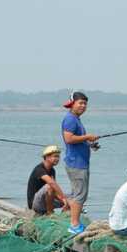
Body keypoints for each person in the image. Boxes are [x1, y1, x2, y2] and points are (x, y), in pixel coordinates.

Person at [61, 92, 99, 234]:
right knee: (80, 195)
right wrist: (88, 136)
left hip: (80, 161)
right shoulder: (70, 119)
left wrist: (90, 144)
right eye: (80, 103)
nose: (83, 106)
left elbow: (78, 139)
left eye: (85, 103)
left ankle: (70, 218)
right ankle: (74, 225)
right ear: (72, 103)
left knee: (77, 193)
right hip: (76, 163)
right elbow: (69, 139)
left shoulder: (76, 119)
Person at [26, 145, 69, 215]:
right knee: (50, 186)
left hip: (45, 202)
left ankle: (66, 215)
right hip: (35, 204)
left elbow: (54, 191)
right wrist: (63, 198)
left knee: (71, 200)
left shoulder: (52, 170)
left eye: (58, 156)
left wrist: (64, 201)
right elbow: (52, 183)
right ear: (47, 157)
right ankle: (50, 213)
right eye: (55, 156)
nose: (57, 159)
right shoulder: (39, 169)